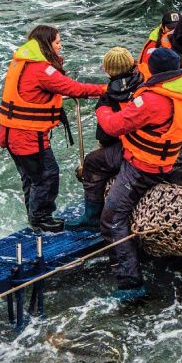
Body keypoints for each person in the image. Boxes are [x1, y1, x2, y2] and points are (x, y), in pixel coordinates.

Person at [96, 47, 182, 299]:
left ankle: (130, 283)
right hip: (165, 160)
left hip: (141, 166)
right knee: (94, 163)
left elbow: (114, 125)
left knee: (113, 219)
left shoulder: (152, 100)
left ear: (154, 70)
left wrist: (102, 107)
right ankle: (89, 215)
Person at [0, 25, 106, 233]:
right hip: (28, 135)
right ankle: (42, 217)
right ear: (47, 44)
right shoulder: (41, 70)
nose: (60, 45)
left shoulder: (21, 63)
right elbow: (73, 88)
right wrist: (103, 89)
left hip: (12, 133)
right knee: (47, 175)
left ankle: (35, 217)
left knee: (30, 177)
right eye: (57, 42)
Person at [70, 46, 141, 228]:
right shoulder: (144, 85)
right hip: (149, 144)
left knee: (92, 162)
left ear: (108, 70)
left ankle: (92, 216)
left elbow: (106, 136)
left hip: (130, 150)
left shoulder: (109, 97)